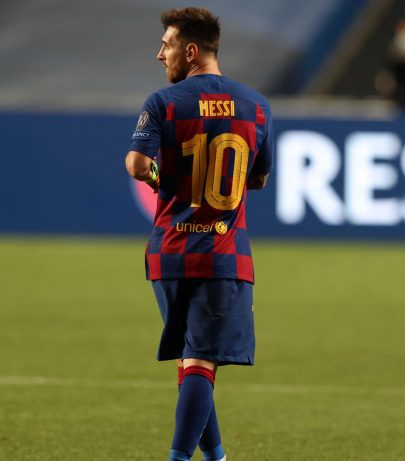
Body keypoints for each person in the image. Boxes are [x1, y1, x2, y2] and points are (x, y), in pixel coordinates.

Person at [124, 7, 274, 461]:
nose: (159, 54)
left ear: (190, 51)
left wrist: (158, 178)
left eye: (166, 44)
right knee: (201, 361)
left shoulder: (163, 103)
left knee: (193, 359)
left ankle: (217, 457)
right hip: (222, 255)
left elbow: (136, 163)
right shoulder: (256, 106)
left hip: (168, 254)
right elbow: (260, 178)